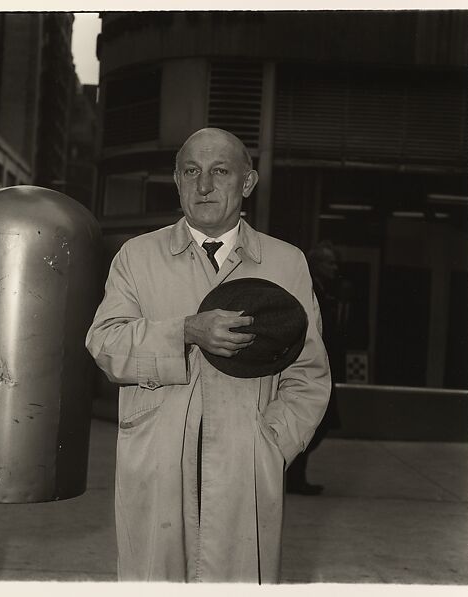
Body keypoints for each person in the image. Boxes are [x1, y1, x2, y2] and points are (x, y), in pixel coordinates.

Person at [85, 128, 331, 583]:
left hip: (246, 467)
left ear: (248, 183)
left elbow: (309, 375)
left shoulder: (286, 263)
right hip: (157, 466)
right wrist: (185, 331)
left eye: (220, 171)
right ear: (177, 181)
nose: (204, 186)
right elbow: (105, 345)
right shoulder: (136, 258)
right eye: (191, 172)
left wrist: (272, 444)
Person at [285, 241, 344, 495]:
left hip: (321, 364)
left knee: (320, 423)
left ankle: (295, 476)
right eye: (329, 263)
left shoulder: (326, 290)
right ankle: (294, 477)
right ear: (315, 265)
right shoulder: (311, 289)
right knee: (315, 423)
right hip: (311, 366)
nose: (334, 268)